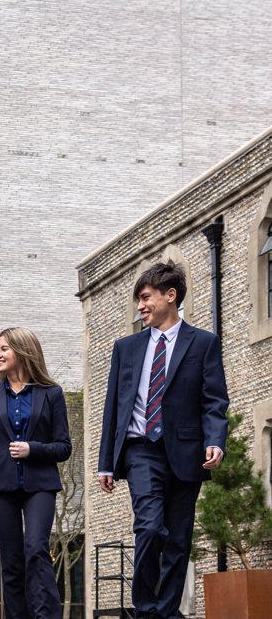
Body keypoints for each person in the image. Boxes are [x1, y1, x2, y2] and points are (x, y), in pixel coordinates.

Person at [98, 262, 229, 619]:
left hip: (187, 454)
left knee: (177, 539)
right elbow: (114, 405)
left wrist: (216, 441)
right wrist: (106, 462)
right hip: (141, 449)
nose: (140, 306)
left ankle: (167, 612)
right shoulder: (126, 347)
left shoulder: (203, 343)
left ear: (170, 296)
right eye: (138, 300)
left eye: (145, 298)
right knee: (151, 527)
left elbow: (214, 400)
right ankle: (145, 608)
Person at [0, 327, 71, 619]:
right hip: (0, 487)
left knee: (36, 548)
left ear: (23, 351)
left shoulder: (51, 394)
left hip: (40, 485)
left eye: (3, 349)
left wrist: (32, 449)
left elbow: (63, 447)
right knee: (11, 559)